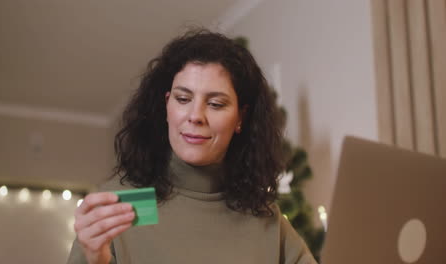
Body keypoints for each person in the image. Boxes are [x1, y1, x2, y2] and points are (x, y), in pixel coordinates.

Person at [67, 28, 317, 264]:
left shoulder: (265, 218)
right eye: (183, 99)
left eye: (216, 104)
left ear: (240, 118)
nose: (195, 115)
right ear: (167, 106)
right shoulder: (122, 206)